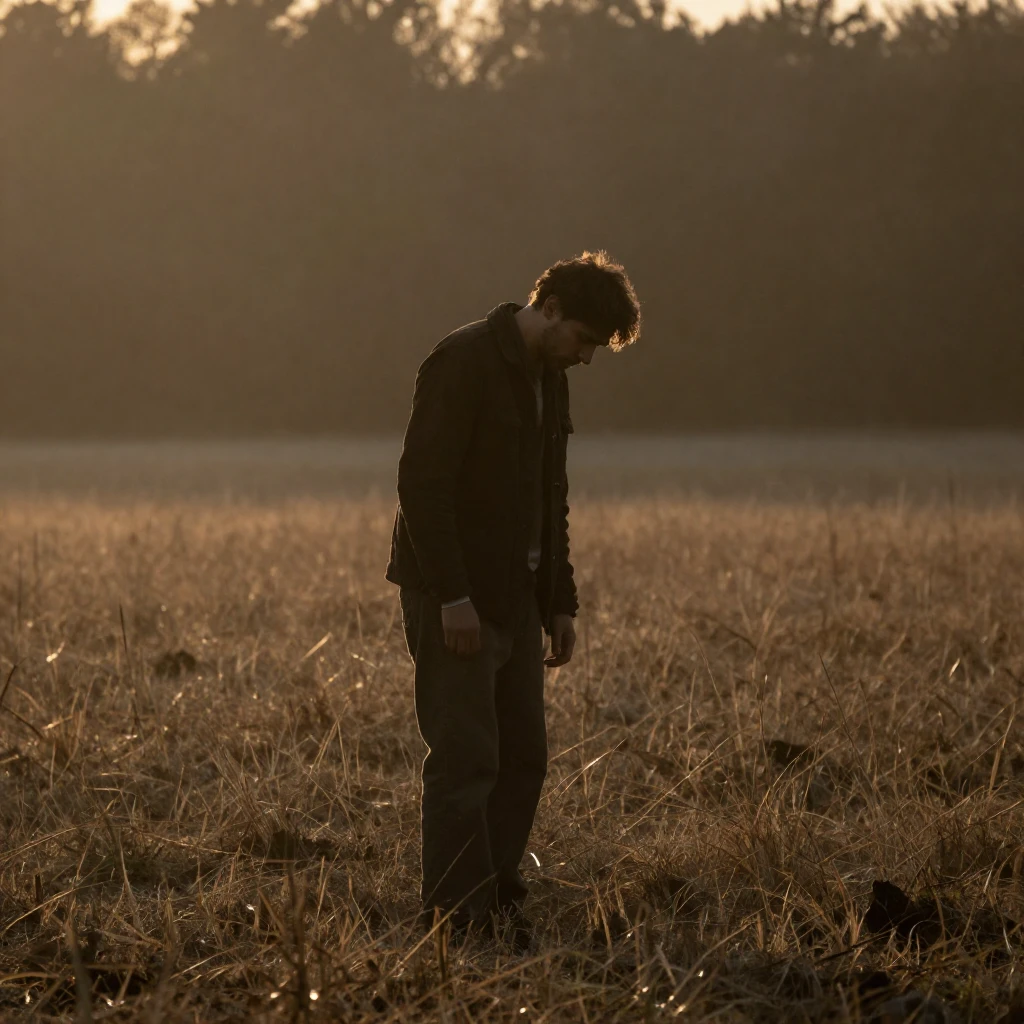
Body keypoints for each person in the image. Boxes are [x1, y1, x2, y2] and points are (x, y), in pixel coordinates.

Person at [385, 251, 641, 944]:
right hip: (458, 599)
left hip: (519, 600)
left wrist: (561, 601)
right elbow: (422, 487)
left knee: (522, 755)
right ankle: (454, 919)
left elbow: (550, 495)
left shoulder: (548, 379)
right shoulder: (461, 361)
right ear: (550, 307)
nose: (585, 358)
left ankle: (496, 897)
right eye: (584, 339)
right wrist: (451, 598)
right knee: (467, 761)